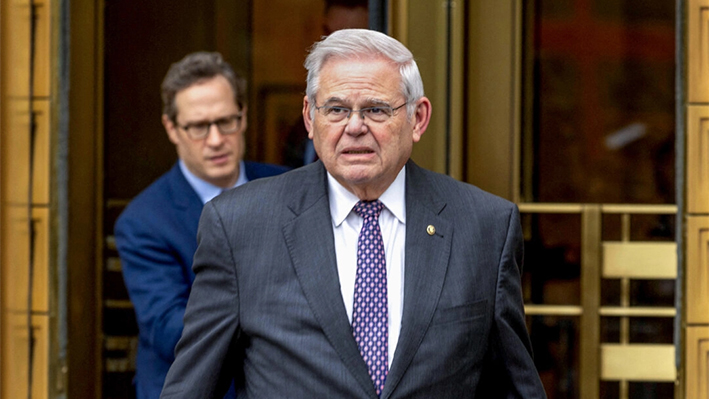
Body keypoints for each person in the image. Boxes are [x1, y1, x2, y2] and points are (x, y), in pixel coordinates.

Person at [160, 30, 547, 398]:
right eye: (337, 109)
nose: (355, 127)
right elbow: (192, 387)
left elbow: (515, 388)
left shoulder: (485, 227)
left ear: (418, 118)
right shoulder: (239, 225)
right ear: (310, 118)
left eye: (376, 109)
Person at [114, 51, 288, 399]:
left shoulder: (289, 189)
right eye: (197, 126)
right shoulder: (143, 221)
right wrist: (279, 332)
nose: (215, 140)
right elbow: (170, 329)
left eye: (226, 121)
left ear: (244, 116)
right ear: (171, 128)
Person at [282, 0, 369, 167]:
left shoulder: (391, 124)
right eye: (330, 36)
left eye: (353, 41)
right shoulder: (300, 130)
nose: (337, 51)